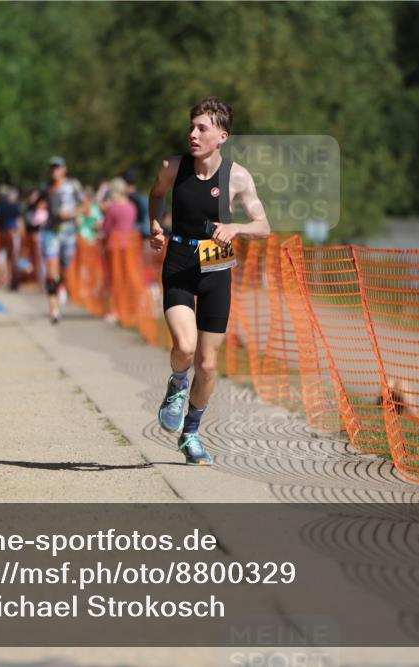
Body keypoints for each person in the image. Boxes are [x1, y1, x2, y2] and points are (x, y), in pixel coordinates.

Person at [148, 97, 270, 465]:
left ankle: (191, 434)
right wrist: (154, 225)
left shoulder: (238, 176)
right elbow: (155, 196)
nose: (193, 134)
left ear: (222, 136)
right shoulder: (173, 167)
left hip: (217, 269)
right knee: (184, 348)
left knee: (208, 364)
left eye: (202, 128)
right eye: (191, 126)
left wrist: (236, 228)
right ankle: (176, 385)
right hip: (180, 262)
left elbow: (264, 227)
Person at [41, 156, 83, 324]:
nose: (55, 171)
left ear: (64, 169)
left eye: (58, 167)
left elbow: (85, 205)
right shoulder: (47, 188)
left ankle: (62, 286)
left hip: (69, 232)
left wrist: (72, 213)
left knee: (65, 267)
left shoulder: (73, 186)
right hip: (51, 231)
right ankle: (54, 309)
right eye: (52, 168)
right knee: (51, 269)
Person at [101, 177, 138, 324]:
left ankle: (114, 311)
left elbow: (107, 227)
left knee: (114, 279)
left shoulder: (113, 207)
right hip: (129, 244)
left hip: (114, 245)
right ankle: (130, 308)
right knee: (128, 276)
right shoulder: (131, 206)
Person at [0, 187, 22, 290]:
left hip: (1, 233)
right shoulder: (14, 207)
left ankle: (1, 278)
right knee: (12, 258)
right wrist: (20, 233)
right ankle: (11, 279)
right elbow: (19, 221)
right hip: (12, 234)